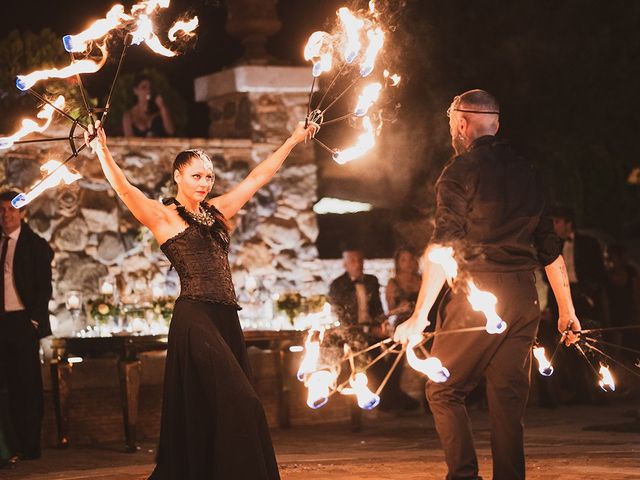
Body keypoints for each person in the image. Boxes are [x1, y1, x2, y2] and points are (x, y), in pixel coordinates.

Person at [85, 119, 317, 479]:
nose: (204, 183)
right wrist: (102, 150)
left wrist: (292, 140)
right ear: (178, 175)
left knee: (217, 408)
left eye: (208, 177)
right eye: (196, 176)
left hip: (226, 318)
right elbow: (126, 190)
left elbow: (257, 178)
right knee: (244, 401)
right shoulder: (163, 216)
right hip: (195, 319)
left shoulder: (216, 212)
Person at [394, 89, 581, 480]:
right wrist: (567, 311)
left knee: (443, 390)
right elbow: (549, 248)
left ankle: (464, 476)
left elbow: (443, 246)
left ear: (462, 124)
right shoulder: (530, 170)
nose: (450, 131)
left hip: (477, 295)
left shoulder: (458, 171)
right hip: (523, 297)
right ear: (495, 124)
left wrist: (418, 317)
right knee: (508, 402)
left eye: (450, 124)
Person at [0, 191, 54, 465]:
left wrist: (33, 321)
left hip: (23, 322)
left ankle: (29, 447)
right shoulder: (0, 243)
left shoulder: (35, 245)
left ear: (22, 213)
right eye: (2, 210)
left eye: (11, 210)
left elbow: (44, 287)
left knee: (27, 387)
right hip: (2, 323)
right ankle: (9, 448)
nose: (6, 215)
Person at [328, 249, 418, 411]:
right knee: (375, 363)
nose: (358, 264)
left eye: (360, 260)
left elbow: (376, 308)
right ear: (345, 264)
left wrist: (381, 325)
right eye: (353, 260)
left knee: (397, 348)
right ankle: (391, 400)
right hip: (353, 334)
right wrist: (369, 330)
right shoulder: (337, 285)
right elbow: (343, 319)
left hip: (373, 329)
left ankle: (390, 398)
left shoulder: (371, 281)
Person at [385, 247, 421, 326]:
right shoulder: (394, 283)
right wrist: (402, 309)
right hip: (404, 323)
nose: (408, 263)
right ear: (398, 263)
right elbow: (391, 310)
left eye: (411, 259)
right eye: (404, 260)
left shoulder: (423, 280)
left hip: (424, 320)